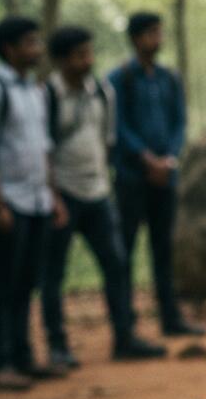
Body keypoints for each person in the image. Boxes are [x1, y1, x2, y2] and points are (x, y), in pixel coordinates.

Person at [41, 26, 167, 363]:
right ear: (62, 60)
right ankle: (57, 345)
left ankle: (124, 336)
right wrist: (52, 195)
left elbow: (107, 141)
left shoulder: (102, 92)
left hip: (97, 193)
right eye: (80, 54)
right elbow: (43, 150)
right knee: (53, 272)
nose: (88, 60)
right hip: (62, 193)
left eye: (90, 52)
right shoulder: (47, 95)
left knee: (117, 263)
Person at [0, 16, 68, 390]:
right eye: (30, 43)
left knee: (27, 282)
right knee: (1, 282)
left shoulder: (36, 92)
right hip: (7, 203)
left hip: (37, 202)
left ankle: (24, 356)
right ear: (9, 48)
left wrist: (54, 196)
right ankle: (0, 363)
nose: (38, 50)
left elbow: (44, 149)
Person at [107, 12, 204, 338]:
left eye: (160, 32)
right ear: (136, 38)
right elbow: (117, 127)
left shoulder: (169, 78)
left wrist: (169, 159)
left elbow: (179, 123)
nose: (158, 39)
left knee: (163, 250)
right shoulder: (119, 79)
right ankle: (126, 325)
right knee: (125, 252)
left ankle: (170, 318)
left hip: (166, 178)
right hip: (132, 178)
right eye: (151, 33)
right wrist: (147, 160)